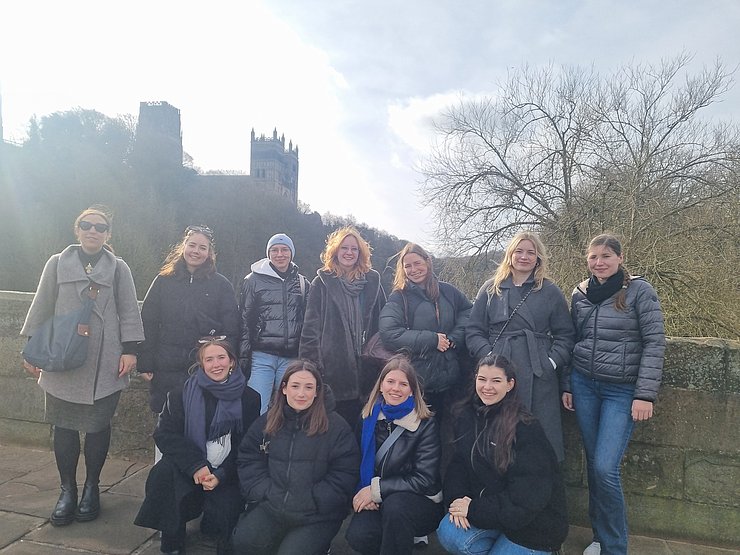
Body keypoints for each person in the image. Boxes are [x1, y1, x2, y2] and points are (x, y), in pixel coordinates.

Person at [20, 206, 144, 526]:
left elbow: (129, 311)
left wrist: (130, 351)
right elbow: (41, 305)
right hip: (61, 358)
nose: (93, 231)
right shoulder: (57, 263)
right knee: (64, 427)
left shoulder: (119, 269)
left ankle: (92, 488)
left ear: (108, 234)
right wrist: (32, 350)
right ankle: (67, 490)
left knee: (98, 427)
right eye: (87, 225)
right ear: (77, 230)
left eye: (100, 227)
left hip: (104, 363)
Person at [562, 234, 665, 555]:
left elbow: (654, 342)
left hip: (621, 391)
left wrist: (645, 394)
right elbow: (571, 340)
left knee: (605, 468)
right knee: (595, 465)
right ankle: (599, 537)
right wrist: (567, 384)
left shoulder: (640, 291)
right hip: (584, 386)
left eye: (606, 256)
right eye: (593, 257)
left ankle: (615, 547)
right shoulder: (580, 293)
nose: (599, 262)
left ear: (620, 258)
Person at [135, 338, 260, 554]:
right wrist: (196, 466)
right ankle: (172, 541)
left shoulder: (249, 398)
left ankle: (219, 534)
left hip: (226, 469)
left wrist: (221, 474)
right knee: (163, 474)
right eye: (209, 359)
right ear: (201, 363)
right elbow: (165, 434)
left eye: (221, 357)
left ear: (232, 361)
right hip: (191, 464)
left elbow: (246, 446)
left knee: (228, 511)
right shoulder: (181, 394)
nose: (216, 364)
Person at [437, 355, 568, 555]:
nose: (487, 387)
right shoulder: (466, 415)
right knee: (449, 532)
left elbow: (527, 496)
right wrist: (458, 501)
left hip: (532, 523)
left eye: (496, 381)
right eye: (482, 379)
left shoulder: (526, 427)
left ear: (510, 384)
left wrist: (474, 509)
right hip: (493, 511)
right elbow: (458, 464)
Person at [465, 231, 574, 461]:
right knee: (497, 431)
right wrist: (489, 358)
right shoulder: (491, 289)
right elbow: (473, 330)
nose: (524, 257)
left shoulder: (550, 291)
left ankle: (541, 477)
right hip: (498, 372)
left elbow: (566, 335)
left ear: (538, 258)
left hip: (538, 373)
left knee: (540, 435)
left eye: (530, 252)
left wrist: (550, 362)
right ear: (510, 254)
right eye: (519, 251)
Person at [232, 360, 360, 555]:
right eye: (295, 386)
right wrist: (264, 491)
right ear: (284, 388)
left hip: (317, 513)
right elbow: (248, 458)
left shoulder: (336, 426)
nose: (301, 393)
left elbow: (346, 472)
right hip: (274, 505)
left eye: (308, 387)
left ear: (317, 391)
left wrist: (315, 499)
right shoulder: (268, 420)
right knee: (244, 543)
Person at [345, 356, 443, 555]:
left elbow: (424, 479)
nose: (396, 388)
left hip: (419, 501)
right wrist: (365, 492)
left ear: (412, 390)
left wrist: (376, 490)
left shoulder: (425, 424)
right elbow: (355, 460)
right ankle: (398, 540)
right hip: (377, 496)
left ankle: (402, 537)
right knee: (359, 536)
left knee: (395, 508)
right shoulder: (367, 417)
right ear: (381, 385)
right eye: (390, 381)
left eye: (403, 384)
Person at [138, 225, 240, 415]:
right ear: (183, 247)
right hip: (165, 366)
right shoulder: (163, 281)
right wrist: (145, 361)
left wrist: (226, 362)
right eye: (192, 245)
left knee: (202, 420)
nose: (196, 251)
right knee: (166, 422)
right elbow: (148, 322)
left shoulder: (221, 285)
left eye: (202, 247)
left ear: (209, 253)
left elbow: (232, 327)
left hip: (204, 367)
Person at [299, 226, 385, 426]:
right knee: (335, 430)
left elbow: (383, 325)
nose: (349, 253)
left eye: (354, 249)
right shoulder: (321, 283)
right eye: (344, 248)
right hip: (334, 373)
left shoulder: (373, 283)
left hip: (369, 371)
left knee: (365, 430)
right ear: (335, 251)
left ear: (361, 253)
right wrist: (312, 370)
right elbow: (310, 332)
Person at [379, 243, 471, 413]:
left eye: (417, 263)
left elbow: (469, 312)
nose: (413, 269)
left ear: (427, 262)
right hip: (417, 382)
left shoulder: (448, 291)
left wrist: (455, 337)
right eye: (408, 266)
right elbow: (389, 333)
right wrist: (432, 340)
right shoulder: (399, 297)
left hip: (453, 380)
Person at [239, 233, 309, 413]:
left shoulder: (302, 283)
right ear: (268, 253)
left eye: (284, 250)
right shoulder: (252, 280)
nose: (280, 254)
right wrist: (243, 357)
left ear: (291, 253)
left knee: (287, 409)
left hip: (291, 358)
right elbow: (245, 320)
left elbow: (308, 322)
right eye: (274, 250)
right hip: (262, 356)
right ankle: (258, 433)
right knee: (257, 408)